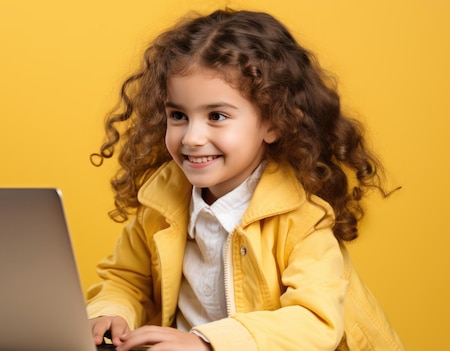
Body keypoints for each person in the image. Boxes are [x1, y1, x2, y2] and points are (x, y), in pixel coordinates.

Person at [86, 8, 404, 351]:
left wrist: (206, 343)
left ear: (273, 123)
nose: (191, 137)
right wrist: (111, 312)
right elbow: (127, 280)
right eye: (178, 115)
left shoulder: (304, 217)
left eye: (217, 116)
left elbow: (314, 320)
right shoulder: (161, 201)